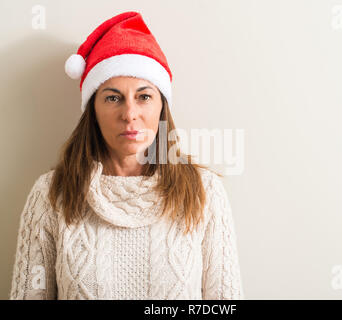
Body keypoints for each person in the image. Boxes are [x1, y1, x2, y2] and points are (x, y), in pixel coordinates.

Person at [9, 11, 244, 300]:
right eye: (112, 97)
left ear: (161, 106)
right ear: (92, 109)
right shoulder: (50, 194)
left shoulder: (204, 192)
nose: (129, 114)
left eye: (144, 96)